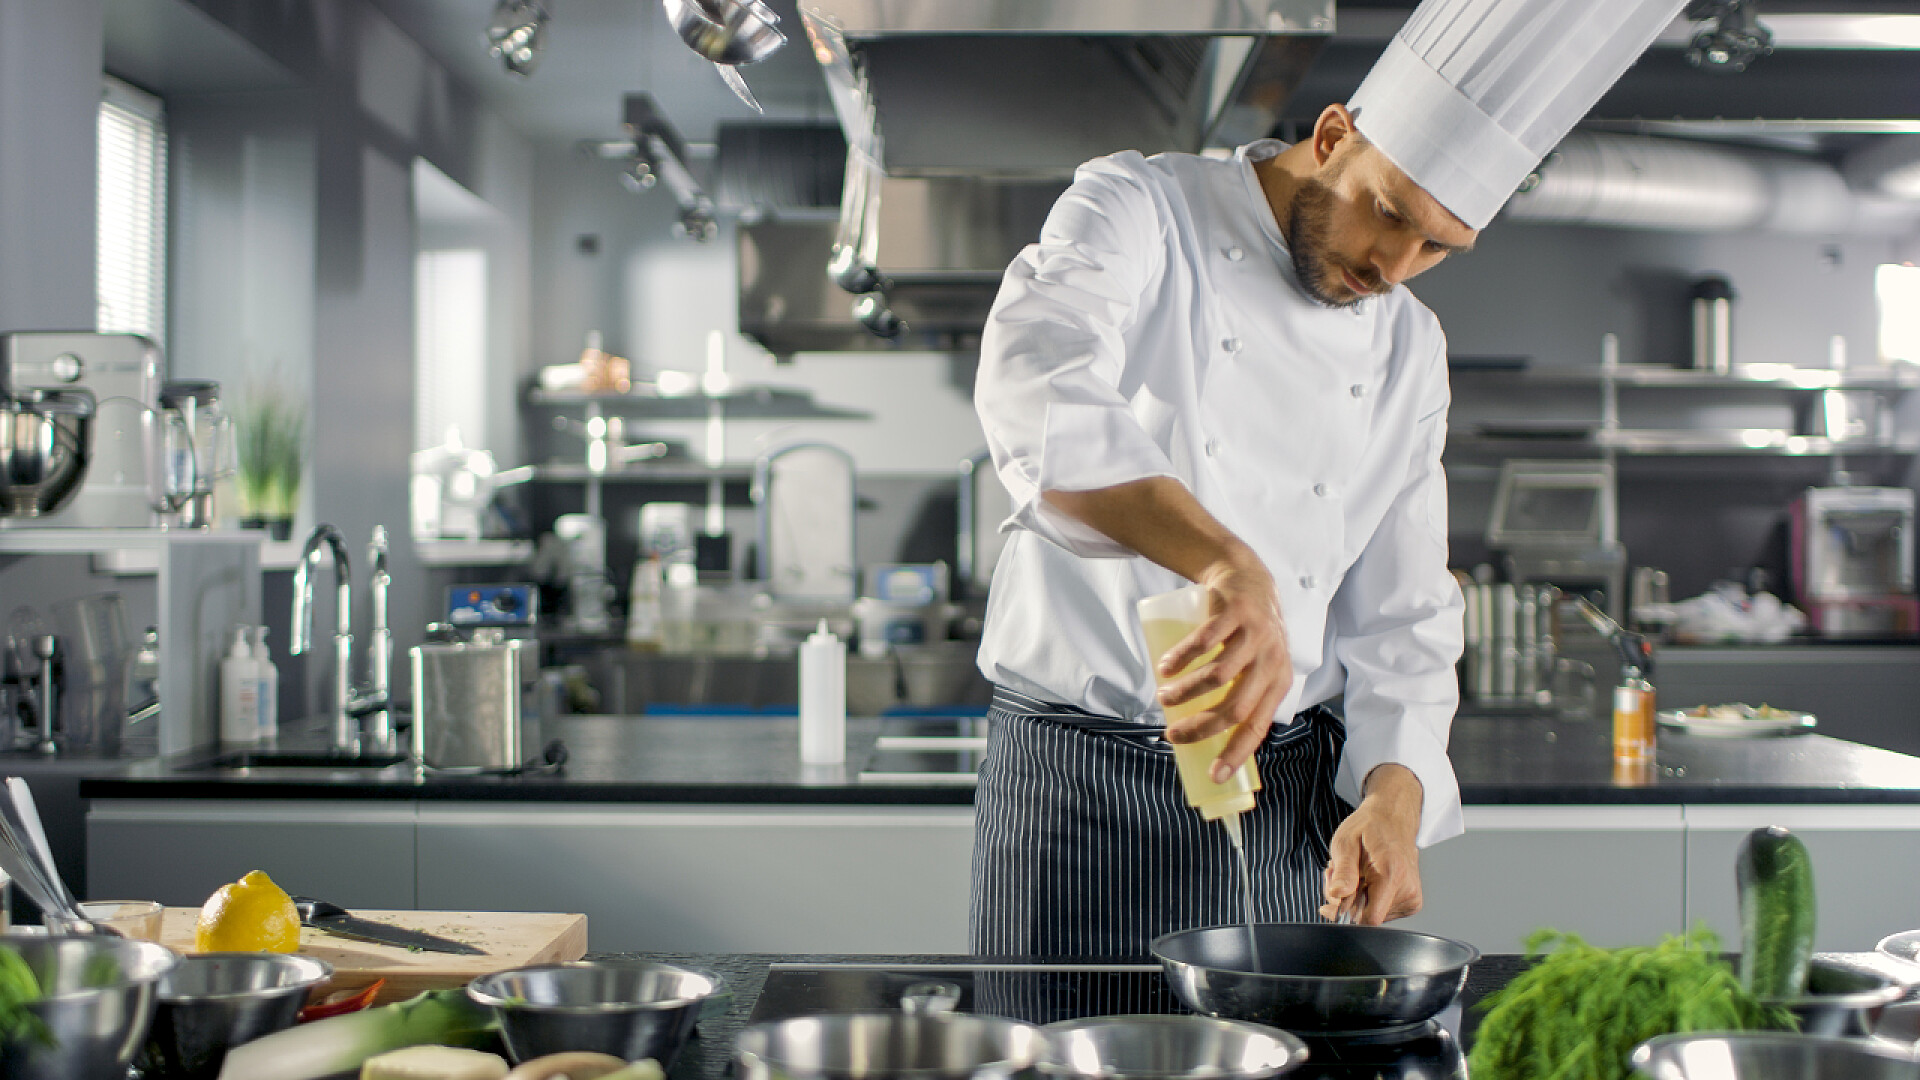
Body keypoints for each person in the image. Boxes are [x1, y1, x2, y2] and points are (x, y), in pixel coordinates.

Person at [968, 0, 1689, 958]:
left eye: (1436, 246)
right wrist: (1230, 565)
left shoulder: (1408, 347)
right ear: (1334, 133)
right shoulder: (1144, 209)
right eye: (1387, 211)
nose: (1391, 265)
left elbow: (1404, 617)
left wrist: (1395, 793)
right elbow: (1034, 378)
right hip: (1080, 786)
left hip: (1288, 802)